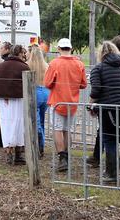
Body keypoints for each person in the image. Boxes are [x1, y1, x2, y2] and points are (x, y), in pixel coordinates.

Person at [89, 41, 120, 183]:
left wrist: (90, 106)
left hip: (110, 108)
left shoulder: (98, 69)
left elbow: (96, 90)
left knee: (109, 139)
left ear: (100, 54)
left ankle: (111, 173)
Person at [43, 38, 87, 171]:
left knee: (57, 129)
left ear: (59, 49)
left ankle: (62, 157)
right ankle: (66, 156)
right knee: (67, 130)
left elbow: (47, 83)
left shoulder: (54, 63)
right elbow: (83, 84)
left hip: (57, 102)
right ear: (71, 48)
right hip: (72, 102)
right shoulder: (79, 64)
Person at [0, 44, 30, 165]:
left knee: (6, 124)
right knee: (19, 125)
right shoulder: (24, 67)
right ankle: (18, 153)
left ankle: (9, 151)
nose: (24, 55)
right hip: (19, 99)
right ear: (19, 53)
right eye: (23, 53)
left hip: (4, 101)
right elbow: (29, 84)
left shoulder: (1, 66)